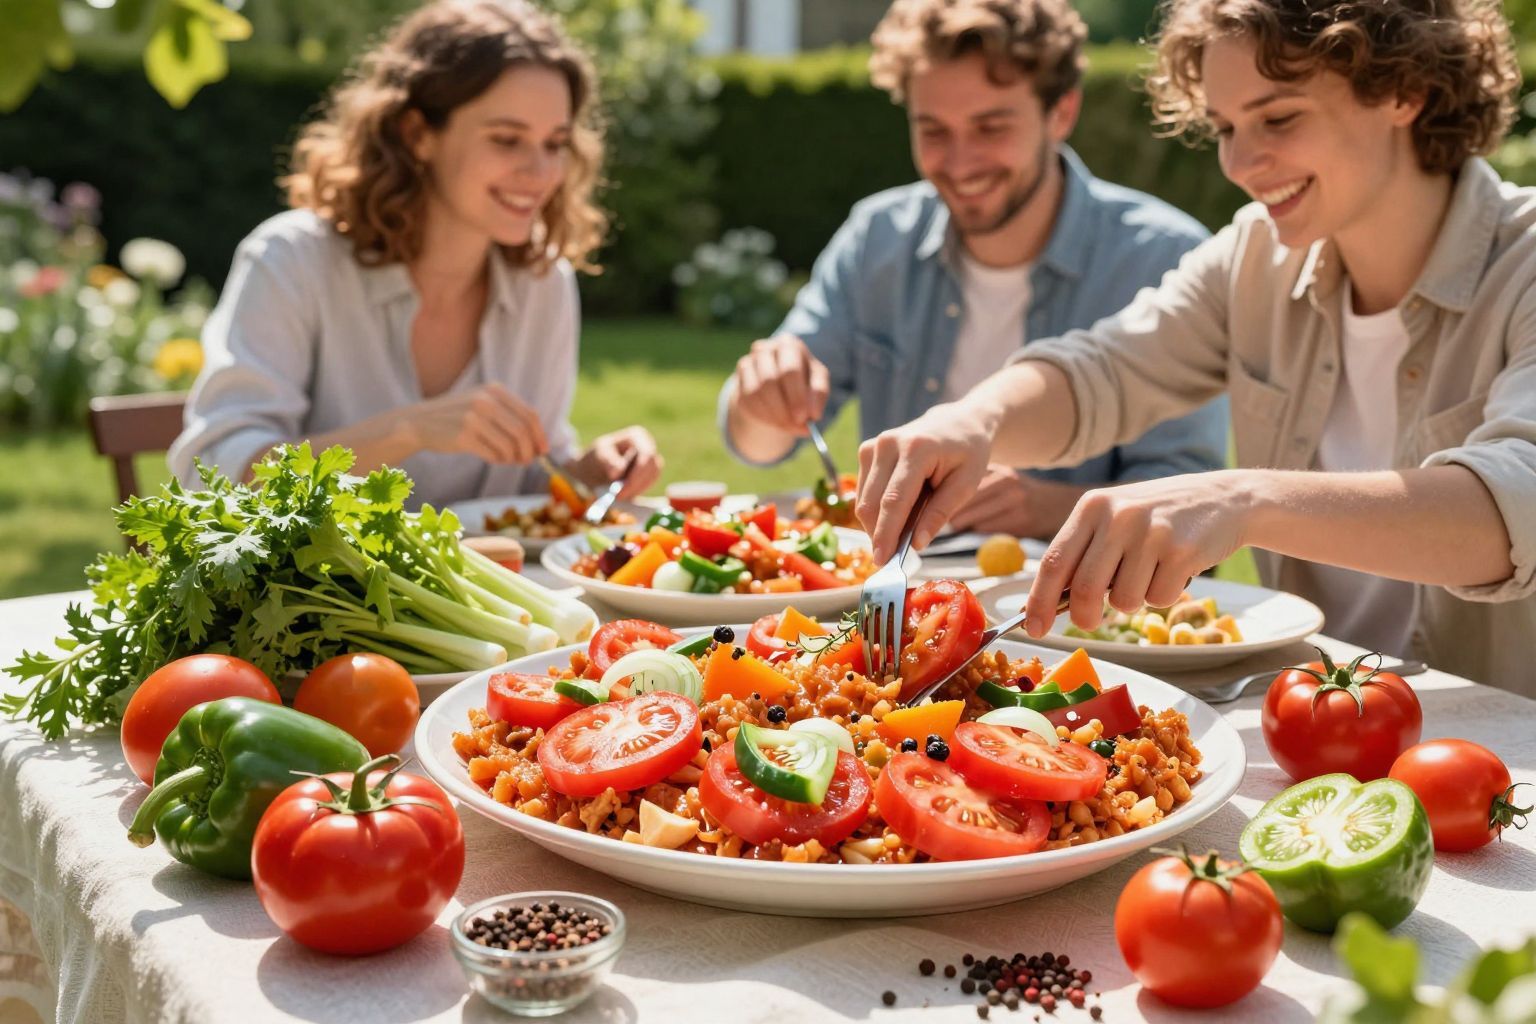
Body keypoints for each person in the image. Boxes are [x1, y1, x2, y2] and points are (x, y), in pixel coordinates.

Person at [856, 0, 1536, 694]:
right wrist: (975, 421)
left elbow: (1514, 507)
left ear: (1405, 90)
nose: (1241, 162)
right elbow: (1106, 370)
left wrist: (1242, 500)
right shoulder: (1254, 257)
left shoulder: (1527, 262)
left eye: (1278, 118)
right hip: (1310, 723)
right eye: (1225, 127)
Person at [717, 0, 1228, 540]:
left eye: (990, 127)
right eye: (933, 130)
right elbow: (756, 445)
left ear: (1061, 113)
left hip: (1070, 613)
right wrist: (762, 403)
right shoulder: (879, 239)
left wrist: (1047, 508)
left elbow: (1192, 500)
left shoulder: (1159, 256)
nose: (960, 163)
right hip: (902, 599)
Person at [169, 0, 661, 508]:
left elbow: (524, 485)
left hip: (481, 585)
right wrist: (405, 431)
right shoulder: (293, 262)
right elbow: (214, 477)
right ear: (417, 134)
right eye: (507, 139)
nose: (540, 172)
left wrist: (588, 471)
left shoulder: (542, 281)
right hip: (315, 589)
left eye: (555, 143)